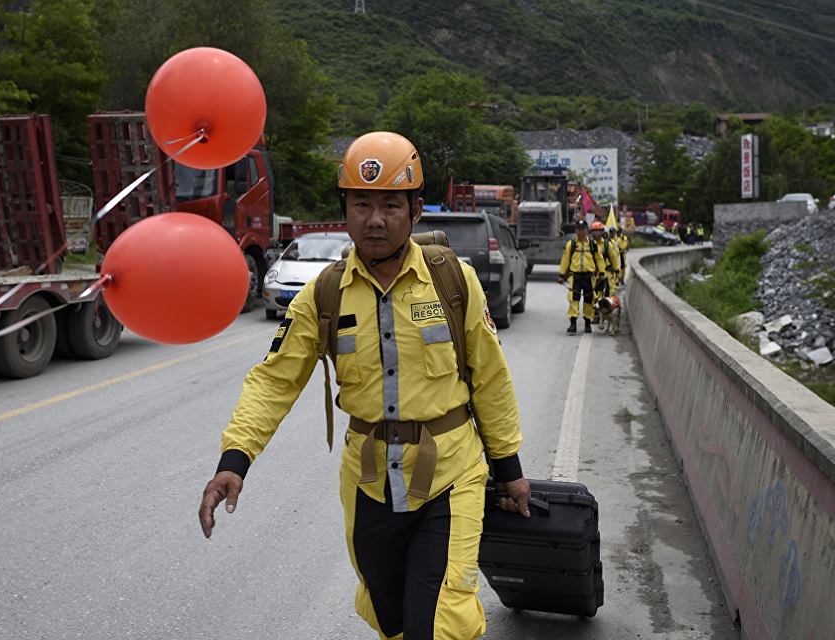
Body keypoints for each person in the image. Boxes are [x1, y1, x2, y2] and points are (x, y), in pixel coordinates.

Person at [198, 131, 531, 640]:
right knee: (388, 615)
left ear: (415, 210)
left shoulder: (453, 280)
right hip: (369, 483)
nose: (375, 219)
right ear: (346, 210)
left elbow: (491, 379)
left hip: (450, 476)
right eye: (362, 204)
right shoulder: (324, 294)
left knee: (442, 620)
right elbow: (274, 381)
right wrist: (234, 460)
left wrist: (509, 469)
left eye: (390, 205)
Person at [558, 219, 601, 334]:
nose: (581, 231)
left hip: (589, 277)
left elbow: (599, 259)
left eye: (583, 229)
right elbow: (565, 260)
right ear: (575, 230)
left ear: (587, 231)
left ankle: (587, 324)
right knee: (573, 299)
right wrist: (562, 275)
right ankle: (573, 324)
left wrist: (601, 273)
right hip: (575, 277)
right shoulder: (571, 245)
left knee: (589, 301)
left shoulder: (593, 245)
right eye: (578, 229)